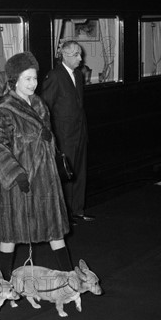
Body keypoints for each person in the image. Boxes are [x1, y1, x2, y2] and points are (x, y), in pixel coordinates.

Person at [0, 51, 72, 280]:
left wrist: (48, 137)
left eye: (35, 78)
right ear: (14, 81)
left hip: (45, 179)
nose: (33, 84)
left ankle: (69, 280)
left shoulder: (39, 104)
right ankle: (2, 284)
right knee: (10, 236)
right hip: (19, 183)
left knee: (55, 232)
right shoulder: (5, 110)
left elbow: (43, 141)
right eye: (27, 79)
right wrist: (16, 174)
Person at [41, 40, 94, 224]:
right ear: (64, 55)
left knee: (80, 173)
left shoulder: (78, 75)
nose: (81, 58)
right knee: (65, 175)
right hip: (64, 135)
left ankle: (78, 210)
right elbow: (45, 107)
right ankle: (65, 216)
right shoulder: (55, 76)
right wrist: (51, 136)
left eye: (80, 54)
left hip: (80, 132)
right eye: (76, 55)